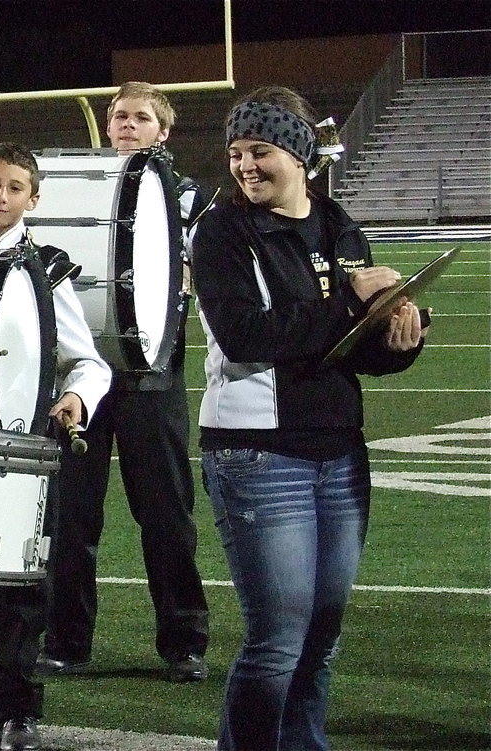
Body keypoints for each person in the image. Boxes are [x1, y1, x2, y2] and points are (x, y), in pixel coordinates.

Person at [193, 85, 427, 750]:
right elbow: (246, 334)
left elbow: (347, 351)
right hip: (257, 451)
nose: (244, 166)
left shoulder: (338, 223)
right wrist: (352, 300)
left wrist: (397, 341)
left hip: (338, 448)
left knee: (321, 634)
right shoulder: (221, 230)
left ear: (297, 154)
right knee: (277, 639)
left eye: (259, 151)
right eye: (237, 152)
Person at [37, 81, 212, 684]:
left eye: (141, 117)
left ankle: (184, 640)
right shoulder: (73, 186)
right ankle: (66, 639)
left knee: (166, 514)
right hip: (82, 378)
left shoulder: (187, 198)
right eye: (118, 116)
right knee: (71, 517)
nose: (126, 126)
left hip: (151, 377)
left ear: (164, 131)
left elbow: (195, 267)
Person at [0, 142, 112, 751]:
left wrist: (77, 399)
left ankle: (18, 709)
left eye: (15, 187)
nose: (1, 197)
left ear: (33, 199)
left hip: (26, 453)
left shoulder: (48, 268)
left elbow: (87, 362)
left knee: (20, 585)